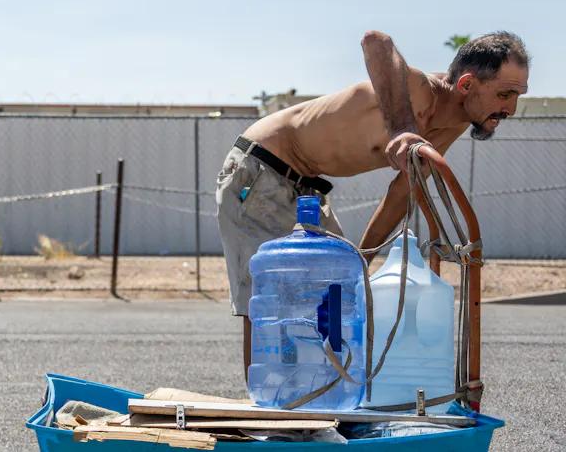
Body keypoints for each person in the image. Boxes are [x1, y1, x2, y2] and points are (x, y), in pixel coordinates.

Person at [215, 30, 530, 377]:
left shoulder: (451, 125)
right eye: (505, 94)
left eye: (518, 95)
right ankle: (270, 407)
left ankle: (316, 394)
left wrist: (361, 262)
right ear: (467, 84)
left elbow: (402, 192)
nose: (511, 108)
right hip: (261, 170)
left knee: (336, 291)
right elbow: (375, 41)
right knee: (271, 294)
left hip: (305, 189)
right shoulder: (414, 88)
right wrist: (402, 128)